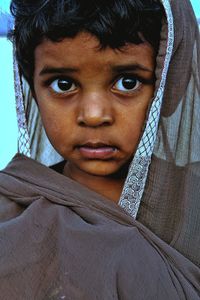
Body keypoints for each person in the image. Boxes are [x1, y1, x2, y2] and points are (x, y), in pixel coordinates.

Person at [0, 0, 199, 298]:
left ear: (169, 86)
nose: (94, 115)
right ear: (33, 91)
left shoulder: (193, 201)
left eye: (128, 82)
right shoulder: (10, 216)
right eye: (63, 84)